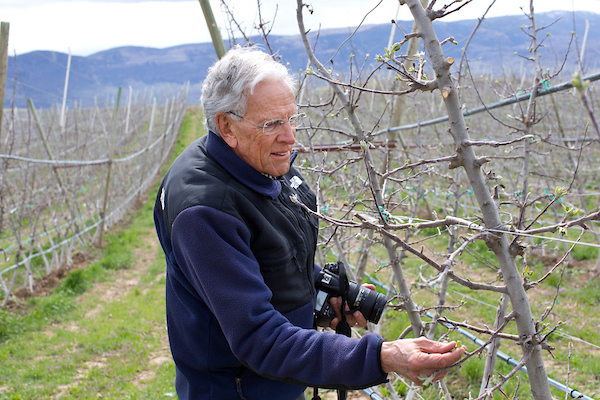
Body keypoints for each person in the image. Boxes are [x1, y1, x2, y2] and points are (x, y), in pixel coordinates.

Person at [154, 46, 465, 400]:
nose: (290, 136)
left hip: (276, 381)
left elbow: (272, 255)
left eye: (292, 118)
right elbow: (260, 338)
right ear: (227, 125)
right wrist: (381, 356)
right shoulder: (205, 212)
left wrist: (323, 289)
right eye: (272, 123)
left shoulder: (258, 165)